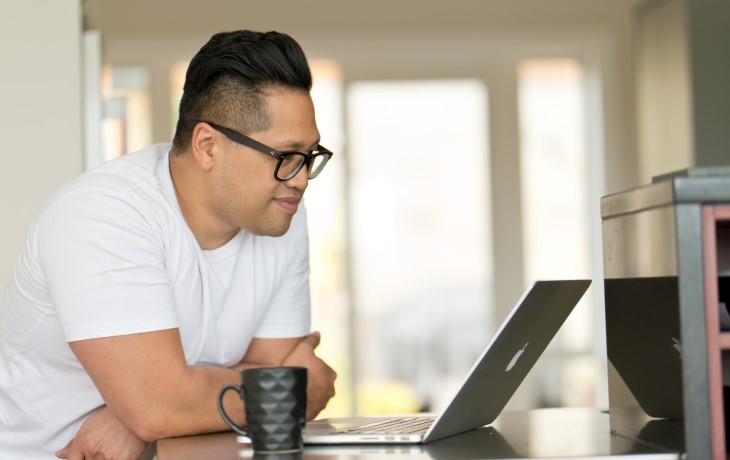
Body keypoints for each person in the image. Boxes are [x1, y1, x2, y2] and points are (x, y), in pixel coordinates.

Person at [0, 30, 337, 459]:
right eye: (285, 157)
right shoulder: (104, 214)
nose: (302, 179)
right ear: (208, 146)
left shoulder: (279, 209)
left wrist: (147, 417)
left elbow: (267, 372)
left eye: (310, 156)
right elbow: (275, 384)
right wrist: (286, 393)